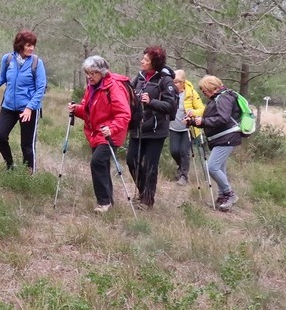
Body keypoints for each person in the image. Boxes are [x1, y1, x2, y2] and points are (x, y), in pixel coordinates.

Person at [69, 56, 132, 213]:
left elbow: (124, 114)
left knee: (97, 162)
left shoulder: (113, 87)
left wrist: (112, 129)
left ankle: (103, 203)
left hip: (111, 134)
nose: (89, 76)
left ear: (102, 72)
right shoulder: (91, 87)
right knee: (102, 166)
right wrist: (76, 109)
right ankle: (109, 201)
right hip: (96, 133)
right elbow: (87, 111)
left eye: (93, 73)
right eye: (87, 73)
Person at [127, 46, 178, 209]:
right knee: (131, 161)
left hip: (156, 130)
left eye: (146, 60)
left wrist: (151, 102)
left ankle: (148, 200)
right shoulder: (140, 77)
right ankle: (143, 192)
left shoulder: (165, 80)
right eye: (143, 58)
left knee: (150, 165)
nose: (142, 61)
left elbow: (170, 106)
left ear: (155, 62)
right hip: (138, 127)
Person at [0, 30, 47, 171]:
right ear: (19, 45)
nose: (31, 48)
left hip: (29, 109)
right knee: (0, 136)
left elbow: (41, 88)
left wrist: (29, 108)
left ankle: (28, 175)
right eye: (28, 45)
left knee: (26, 145)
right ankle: (10, 165)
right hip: (8, 106)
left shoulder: (37, 63)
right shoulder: (8, 59)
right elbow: (2, 78)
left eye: (33, 45)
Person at [190, 75, 243, 212]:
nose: (203, 93)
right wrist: (194, 121)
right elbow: (212, 119)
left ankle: (230, 194)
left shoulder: (224, 98)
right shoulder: (218, 98)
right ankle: (221, 198)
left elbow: (223, 119)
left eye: (204, 90)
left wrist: (202, 122)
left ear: (212, 87)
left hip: (227, 137)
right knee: (221, 169)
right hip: (221, 137)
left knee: (212, 167)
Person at [169, 69, 204, 184]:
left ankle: (184, 176)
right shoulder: (169, 92)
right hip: (173, 127)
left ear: (183, 82)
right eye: (173, 81)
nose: (175, 84)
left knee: (184, 151)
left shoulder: (191, 93)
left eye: (177, 82)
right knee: (174, 151)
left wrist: (192, 113)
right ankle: (181, 167)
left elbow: (202, 109)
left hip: (188, 128)